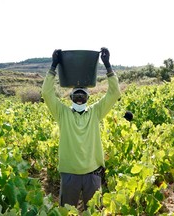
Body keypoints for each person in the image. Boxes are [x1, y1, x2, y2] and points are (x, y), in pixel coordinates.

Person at [41, 47, 121, 210]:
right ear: (70, 98)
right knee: (66, 212)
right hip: (69, 175)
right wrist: (53, 67)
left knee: (95, 212)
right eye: (76, 96)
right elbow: (47, 93)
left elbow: (114, 93)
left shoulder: (95, 112)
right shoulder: (62, 114)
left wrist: (108, 66)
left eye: (82, 96)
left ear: (88, 98)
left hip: (92, 174)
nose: (79, 99)